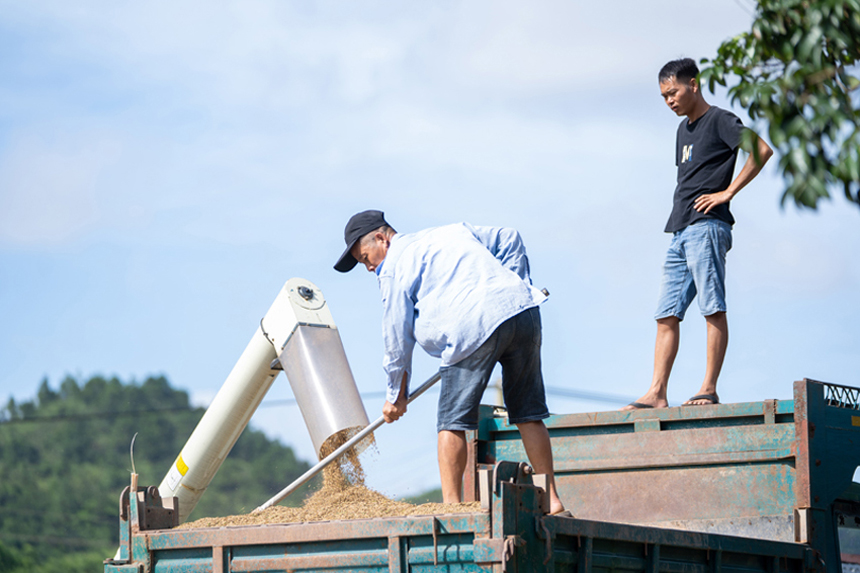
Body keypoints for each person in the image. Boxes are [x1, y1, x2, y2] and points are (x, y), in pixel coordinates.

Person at [334, 209, 568, 515]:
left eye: (366, 258)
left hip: (470, 326)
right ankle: (552, 501)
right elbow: (509, 236)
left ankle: (452, 508)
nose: (368, 267)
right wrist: (516, 286)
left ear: (381, 238)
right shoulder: (449, 232)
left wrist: (395, 396)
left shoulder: (392, 268)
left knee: (452, 422)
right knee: (528, 414)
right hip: (522, 312)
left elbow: (396, 336)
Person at [625, 58, 773, 410]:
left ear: (694, 84)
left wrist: (727, 192)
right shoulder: (683, 131)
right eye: (663, 96)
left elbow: (762, 149)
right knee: (665, 314)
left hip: (707, 226)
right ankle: (656, 393)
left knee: (711, 307)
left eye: (673, 92)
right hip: (679, 229)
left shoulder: (720, 119)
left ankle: (708, 388)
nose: (669, 101)